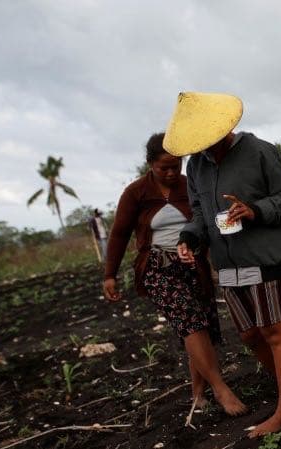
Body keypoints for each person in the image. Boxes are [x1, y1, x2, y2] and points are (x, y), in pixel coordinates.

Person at [165, 92, 281, 437]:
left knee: (274, 331)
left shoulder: (258, 151)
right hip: (227, 264)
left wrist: (254, 210)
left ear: (221, 128)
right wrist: (189, 239)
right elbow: (200, 214)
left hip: (264, 257)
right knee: (248, 334)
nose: (204, 147)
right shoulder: (196, 165)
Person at [102, 133, 246, 416]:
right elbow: (119, 234)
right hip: (159, 268)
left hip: (194, 264)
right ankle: (221, 389)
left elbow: (206, 219)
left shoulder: (188, 184)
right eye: (163, 168)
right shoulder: (136, 193)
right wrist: (110, 274)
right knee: (190, 322)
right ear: (150, 164)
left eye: (175, 166)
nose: (170, 173)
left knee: (199, 326)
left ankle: (198, 394)